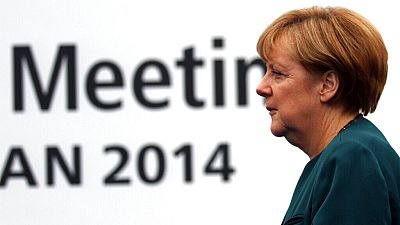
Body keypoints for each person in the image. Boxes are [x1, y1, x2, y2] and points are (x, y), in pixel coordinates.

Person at [256, 6, 400, 225]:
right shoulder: (342, 155)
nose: (261, 87)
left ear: (327, 85)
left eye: (277, 73)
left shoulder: (351, 157)